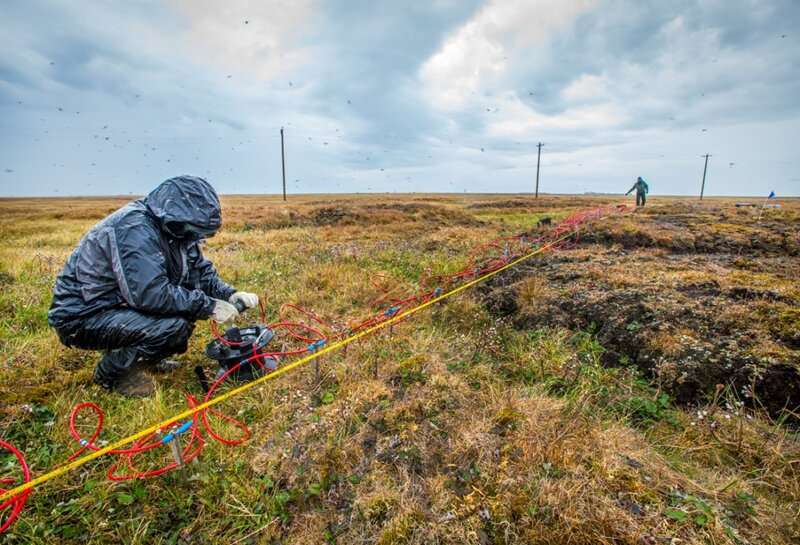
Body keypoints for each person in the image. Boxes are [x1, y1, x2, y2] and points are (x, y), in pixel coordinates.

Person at [48, 176, 259, 397]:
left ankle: (143, 359)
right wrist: (208, 306)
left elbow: (199, 272)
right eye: (191, 229)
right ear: (174, 215)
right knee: (172, 327)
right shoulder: (134, 228)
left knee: (180, 319)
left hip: (119, 306)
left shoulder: (177, 232)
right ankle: (112, 375)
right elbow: (151, 295)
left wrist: (230, 294)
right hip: (82, 316)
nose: (194, 237)